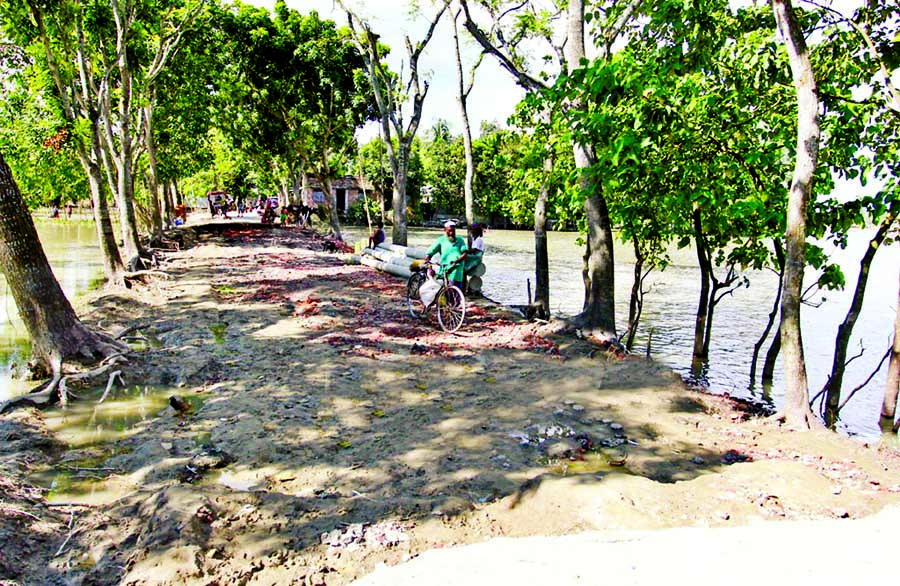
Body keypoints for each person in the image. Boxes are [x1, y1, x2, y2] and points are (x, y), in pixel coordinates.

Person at [424, 220, 467, 288]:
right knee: (448, 290)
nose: (451, 233)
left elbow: (465, 254)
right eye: (449, 231)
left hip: (458, 269)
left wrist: (456, 262)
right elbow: (429, 253)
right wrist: (430, 268)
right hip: (446, 269)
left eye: (453, 231)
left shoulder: (460, 240)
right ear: (445, 230)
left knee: (457, 291)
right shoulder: (441, 240)